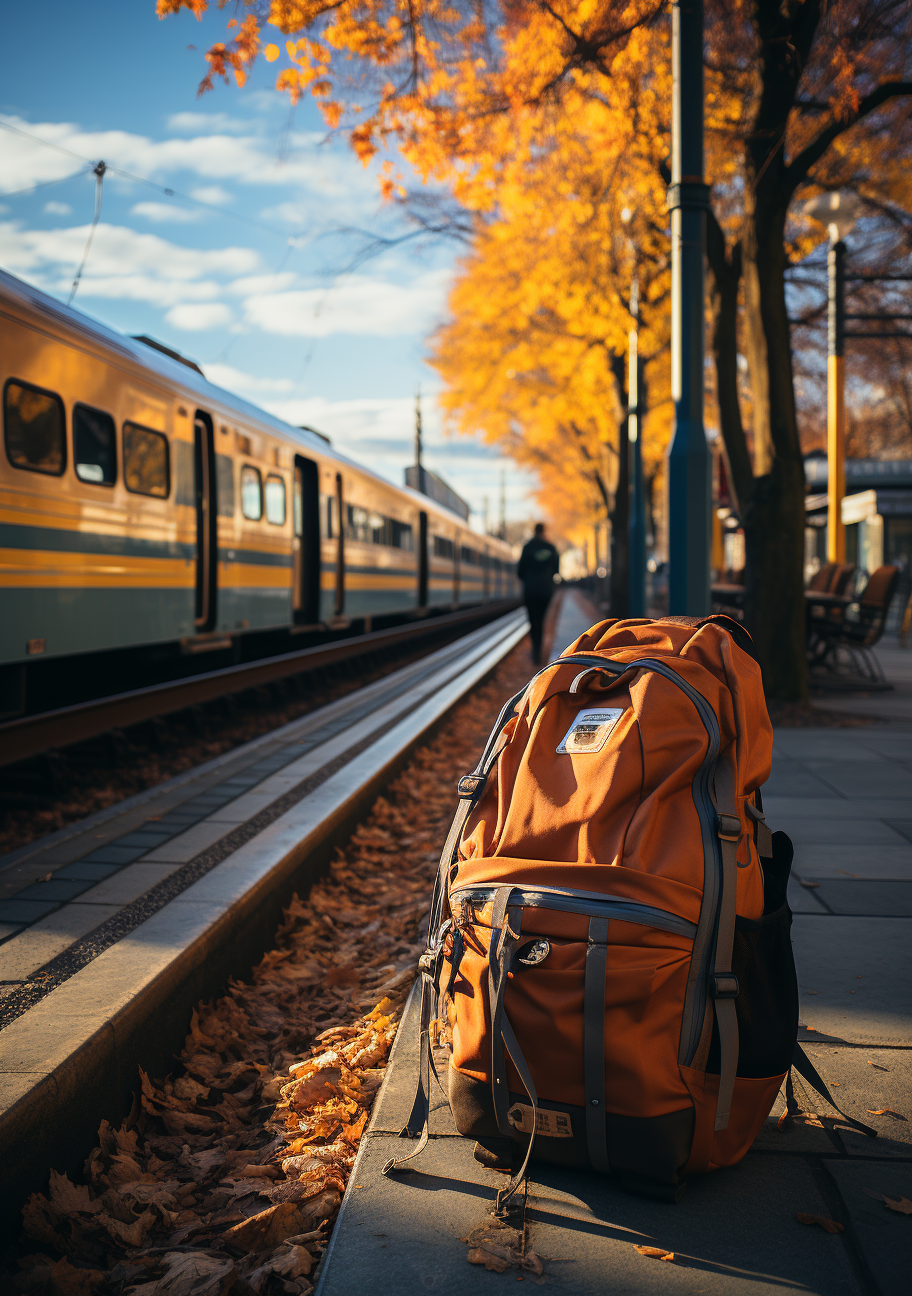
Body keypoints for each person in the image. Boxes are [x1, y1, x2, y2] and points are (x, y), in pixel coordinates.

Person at [517, 523, 560, 664]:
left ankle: (535, 651)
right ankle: (540, 650)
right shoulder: (551, 548)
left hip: (530, 591)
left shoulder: (527, 547)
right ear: (544, 531)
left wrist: (529, 580)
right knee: (541, 620)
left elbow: (520, 571)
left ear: (533, 531)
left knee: (533, 621)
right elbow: (556, 570)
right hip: (546, 591)